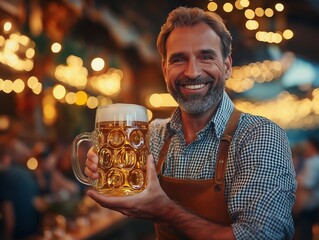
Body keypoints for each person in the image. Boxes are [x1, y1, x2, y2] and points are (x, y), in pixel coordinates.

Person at [84, 6, 297, 239]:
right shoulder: (153, 135)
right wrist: (100, 165)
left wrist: (166, 210)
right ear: (165, 70)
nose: (193, 72)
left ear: (226, 66)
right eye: (178, 59)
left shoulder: (259, 136)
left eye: (206, 56)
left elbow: (261, 236)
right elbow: (127, 193)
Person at [293, 136, 319, 240]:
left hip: (308, 203)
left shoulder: (314, 162)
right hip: (310, 202)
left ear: (312, 147)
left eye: (306, 147)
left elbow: (307, 185)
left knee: (303, 231)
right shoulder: (310, 161)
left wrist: (298, 206)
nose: (304, 150)